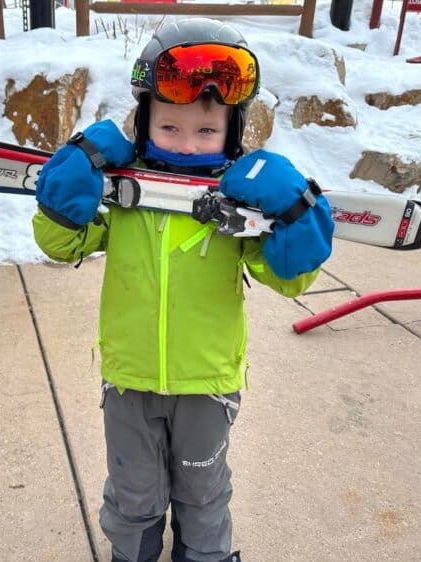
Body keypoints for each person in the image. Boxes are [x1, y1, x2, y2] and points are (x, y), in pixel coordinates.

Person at [31, 18, 334, 562]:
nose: (187, 144)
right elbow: (63, 246)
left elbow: (287, 280)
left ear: (232, 131)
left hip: (207, 383)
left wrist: (292, 216)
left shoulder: (242, 203)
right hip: (130, 379)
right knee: (134, 494)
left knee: (203, 493)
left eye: (206, 131)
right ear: (145, 121)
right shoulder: (124, 194)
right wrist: (65, 196)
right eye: (169, 128)